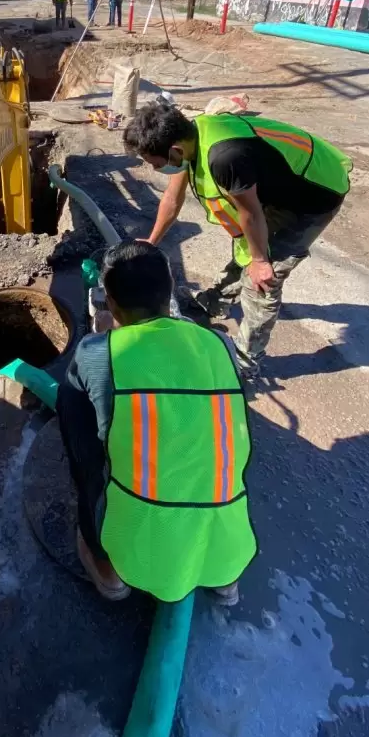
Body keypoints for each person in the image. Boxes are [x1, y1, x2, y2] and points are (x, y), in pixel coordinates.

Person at [57, 240, 256, 605]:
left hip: (136, 551)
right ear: (169, 296)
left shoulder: (98, 351)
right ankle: (224, 581)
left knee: (73, 407)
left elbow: (80, 429)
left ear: (111, 303)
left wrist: (103, 336)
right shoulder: (220, 345)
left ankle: (109, 571)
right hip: (230, 547)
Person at [123, 102, 352, 376]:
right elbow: (173, 198)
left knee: (263, 278)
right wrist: (152, 241)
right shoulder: (190, 140)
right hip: (275, 185)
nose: (155, 169)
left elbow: (251, 213)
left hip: (311, 193)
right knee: (249, 247)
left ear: (174, 151)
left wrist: (260, 260)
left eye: (155, 164)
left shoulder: (224, 157)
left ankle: (245, 361)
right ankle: (216, 300)